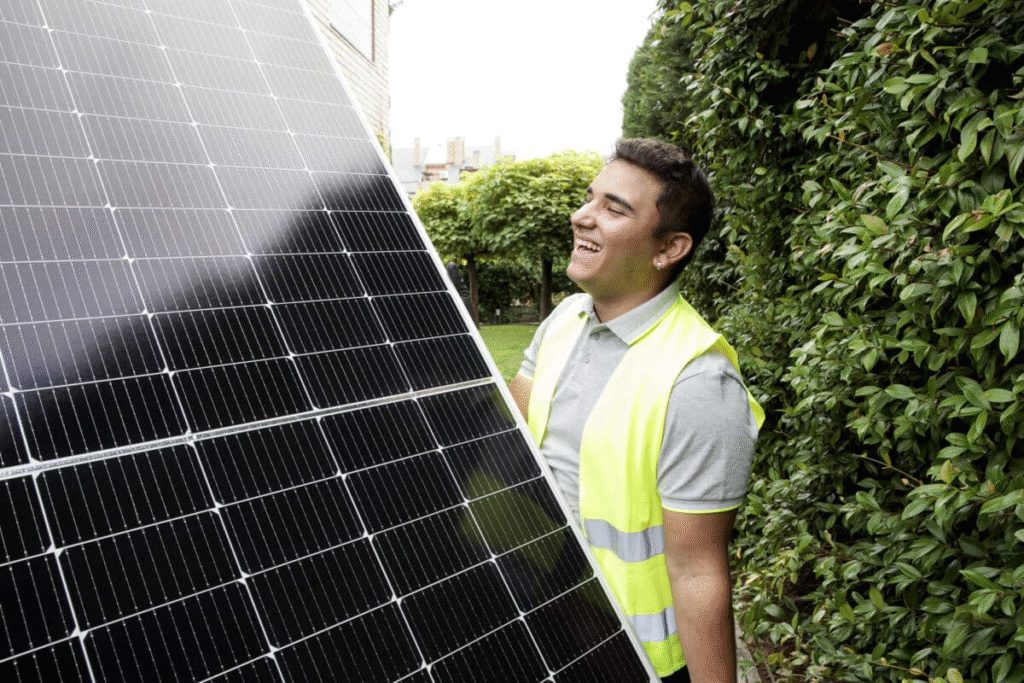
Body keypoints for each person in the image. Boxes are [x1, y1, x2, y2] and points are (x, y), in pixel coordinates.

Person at [509, 138, 764, 682]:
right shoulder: (565, 320)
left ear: (669, 248)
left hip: (627, 652)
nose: (582, 217)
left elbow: (697, 569)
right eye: (589, 198)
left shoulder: (697, 381)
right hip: (535, 616)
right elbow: (514, 447)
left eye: (613, 208)